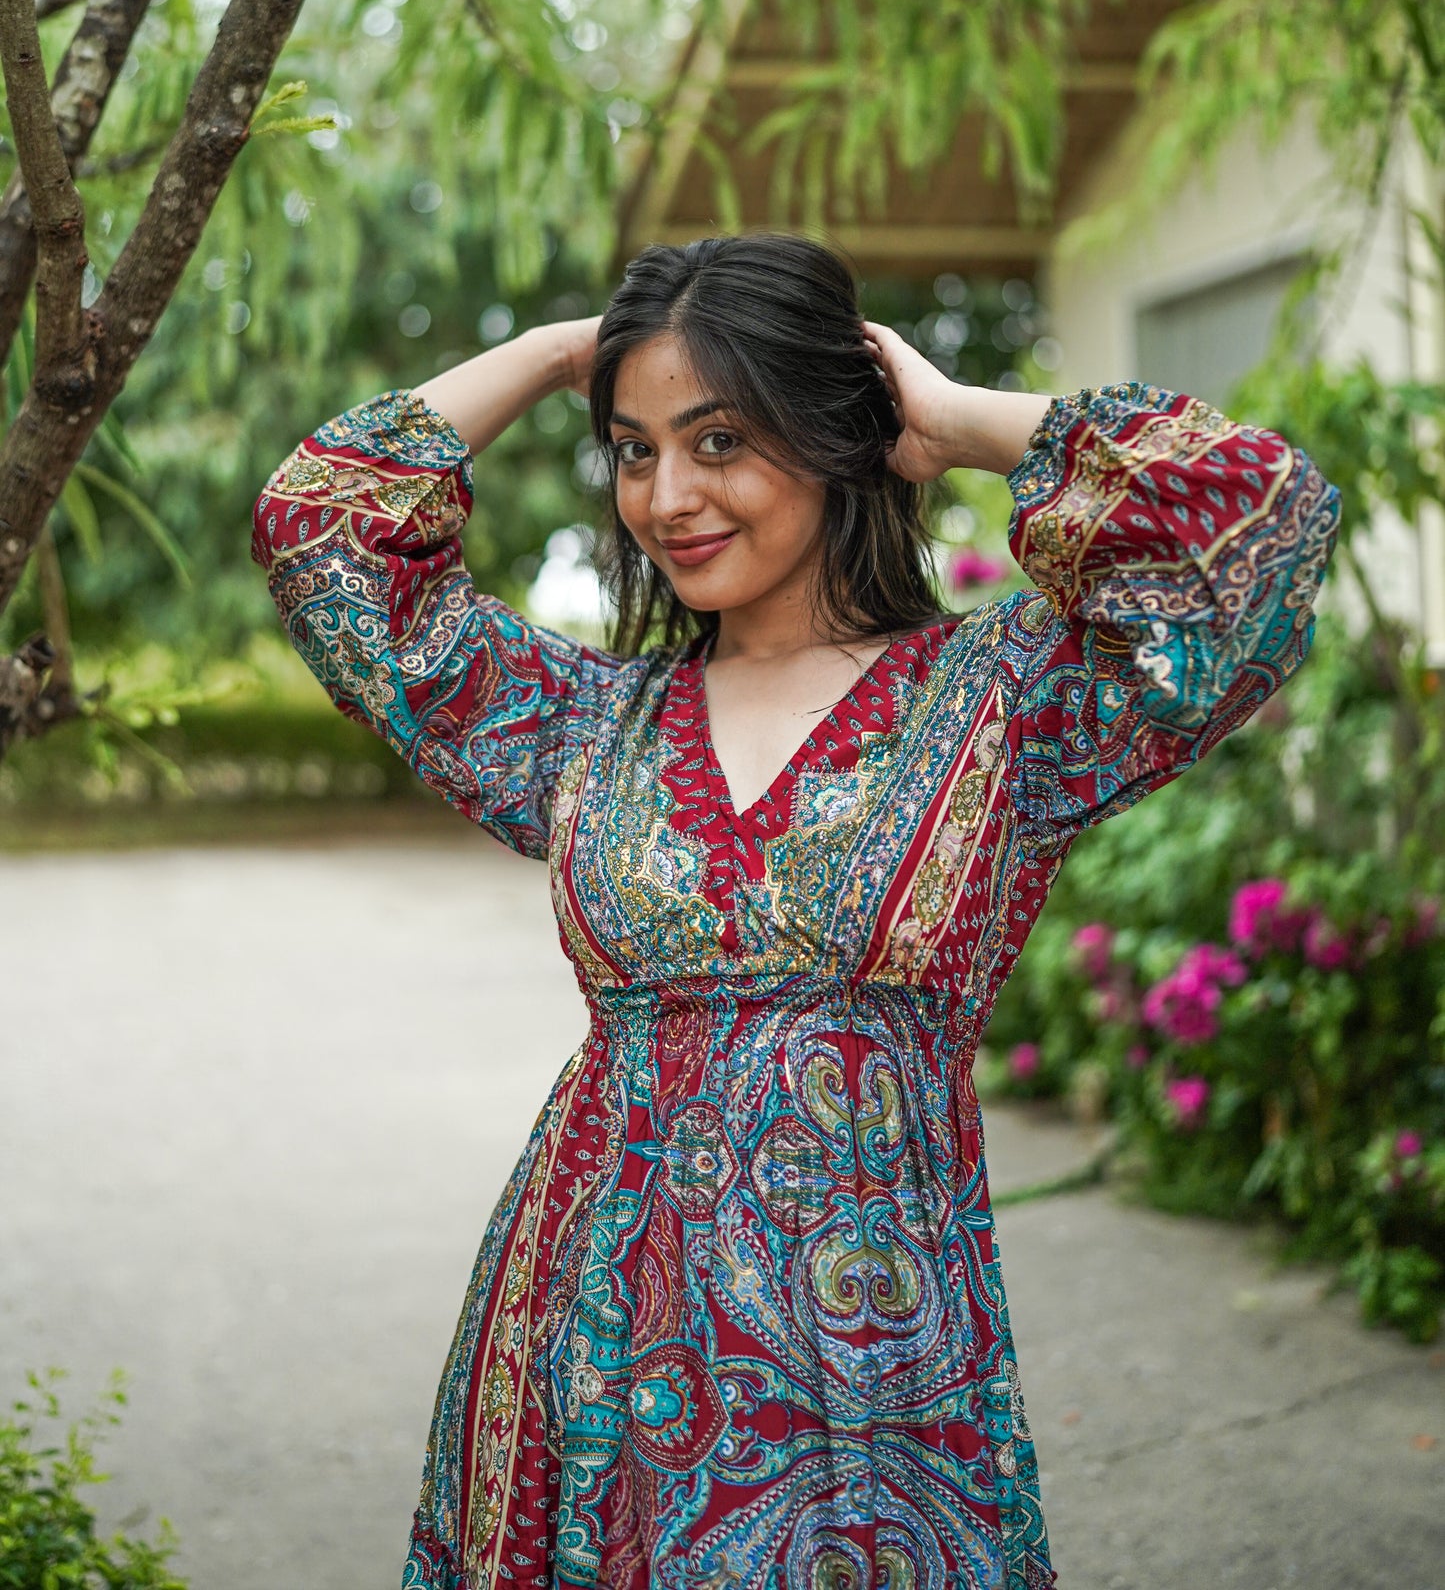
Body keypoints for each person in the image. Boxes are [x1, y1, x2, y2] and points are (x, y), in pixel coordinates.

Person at [252, 233, 1339, 1590]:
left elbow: (1254, 522)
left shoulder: (1001, 703)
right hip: (580, 1348)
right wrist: (553, 355)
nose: (668, 496)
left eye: (720, 439)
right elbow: (322, 526)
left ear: (832, 436)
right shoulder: (580, 725)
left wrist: (946, 422)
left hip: (868, 1367)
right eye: (634, 449)